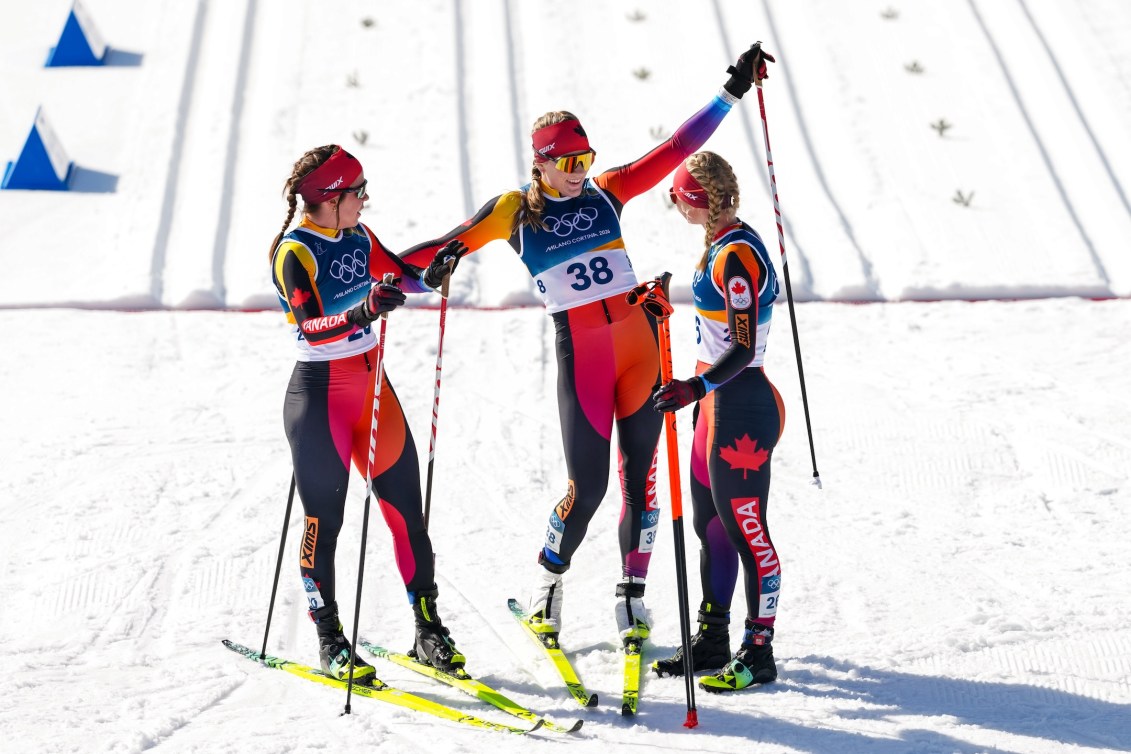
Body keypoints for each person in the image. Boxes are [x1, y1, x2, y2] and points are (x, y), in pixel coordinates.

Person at [400, 45, 776, 647]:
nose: (579, 168)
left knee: (640, 478)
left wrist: (731, 88)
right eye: (568, 160)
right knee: (588, 487)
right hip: (585, 357)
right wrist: (408, 275)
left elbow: (674, 151)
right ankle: (547, 590)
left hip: (641, 348)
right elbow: (435, 253)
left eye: (585, 156)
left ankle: (632, 596)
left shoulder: (606, 191)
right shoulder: (513, 212)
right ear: (541, 162)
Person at [269, 144, 469, 681]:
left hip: (373, 391)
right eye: (358, 193)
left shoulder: (357, 235)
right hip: (320, 399)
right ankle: (330, 639)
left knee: (407, 511)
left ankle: (428, 630)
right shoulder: (295, 253)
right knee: (324, 523)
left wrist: (429, 276)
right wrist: (363, 310)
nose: (364, 201)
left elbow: (398, 275)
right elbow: (309, 323)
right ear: (330, 198)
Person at [649, 151, 784, 691]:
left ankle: (759, 650)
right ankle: (712, 638)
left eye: (677, 198)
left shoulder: (736, 257)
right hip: (713, 406)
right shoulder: (719, 244)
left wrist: (695, 387)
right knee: (712, 527)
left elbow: (745, 348)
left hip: (740, 408)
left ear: (696, 201)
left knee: (749, 533)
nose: (676, 207)